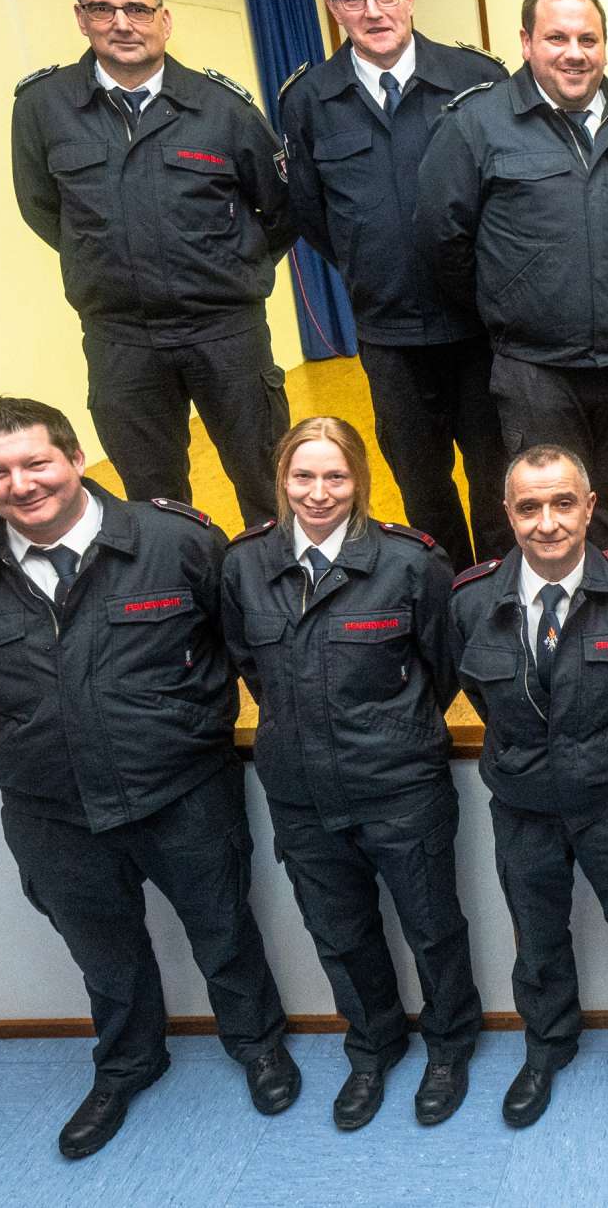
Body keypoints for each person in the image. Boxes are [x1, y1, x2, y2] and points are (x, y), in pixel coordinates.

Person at [0, 397, 297, 1159]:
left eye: (36, 463)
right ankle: (128, 1062)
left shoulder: (177, 541)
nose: (21, 485)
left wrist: (179, 725)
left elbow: (237, 647)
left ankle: (257, 1044)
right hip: (50, 805)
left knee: (223, 929)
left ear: (77, 459)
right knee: (102, 952)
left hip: (181, 787)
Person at [219, 416, 479, 1130]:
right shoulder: (244, 564)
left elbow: (444, 666)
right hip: (300, 791)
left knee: (432, 928)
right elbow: (247, 662)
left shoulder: (412, 562)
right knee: (339, 932)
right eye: (302, 476)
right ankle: (373, 1045)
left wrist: (393, 728)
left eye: (335, 476)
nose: (318, 492)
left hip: (400, 785)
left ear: (359, 479)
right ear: (281, 480)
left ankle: (449, 1047)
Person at [10, 0, 295, 529]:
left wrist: (230, 266)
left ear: (164, 19)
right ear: (81, 18)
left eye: (137, 9)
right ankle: (181, 587)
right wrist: (105, 261)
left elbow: (282, 208)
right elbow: (42, 209)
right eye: (103, 9)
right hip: (121, 338)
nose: (122, 23)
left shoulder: (222, 108)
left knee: (267, 480)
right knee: (152, 499)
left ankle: (275, 582)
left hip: (224, 330)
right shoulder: (43, 108)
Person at [449, 446, 608, 1129]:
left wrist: (607, 750)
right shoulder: (471, 601)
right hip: (523, 801)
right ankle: (547, 1045)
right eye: (529, 507)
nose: (547, 522)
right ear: (507, 513)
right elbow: (474, 692)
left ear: (589, 507)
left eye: (562, 503)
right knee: (537, 934)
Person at [415, 0, 608, 558]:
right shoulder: (477, 125)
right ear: (526, 42)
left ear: (605, 45)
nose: (574, 53)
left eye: (589, 39)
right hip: (537, 374)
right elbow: (442, 240)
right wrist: (510, 306)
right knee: (549, 525)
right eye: (557, 38)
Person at [279, 0, 511, 574]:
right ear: (333, 8)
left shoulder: (477, 80)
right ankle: (446, 594)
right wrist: (372, 263)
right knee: (422, 486)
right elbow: (311, 214)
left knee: (496, 478)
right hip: (390, 334)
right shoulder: (308, 99)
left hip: (479, 326)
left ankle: (496, 597)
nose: (374, 12)